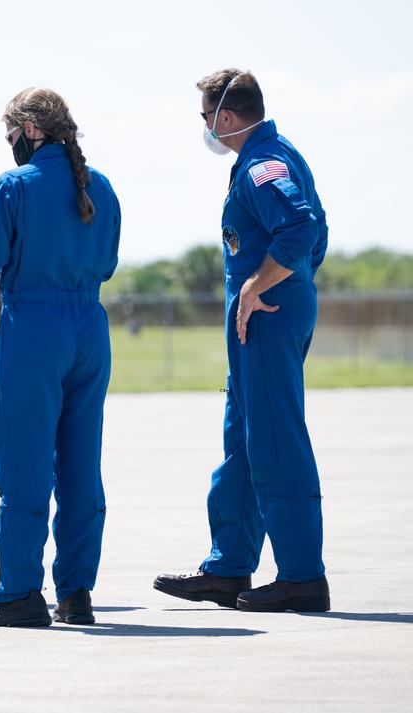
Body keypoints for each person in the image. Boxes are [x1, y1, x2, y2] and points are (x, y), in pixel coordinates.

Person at [154, 69, 330, 613]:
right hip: (260, 315)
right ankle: (228, 567)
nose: (206, 127)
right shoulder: (269, 156)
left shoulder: (261, 164)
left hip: (269, 313)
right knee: (243, 439)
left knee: (275, 439)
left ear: (226, 118)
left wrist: (260, 285)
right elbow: (316, 231)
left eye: (207, 117)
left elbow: (302, 229)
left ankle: (302, 577)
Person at [0, 87, 120, 627]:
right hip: (90, 326)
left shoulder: (15, 186)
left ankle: (20, 592)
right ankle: (76, 593)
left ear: (31, 130)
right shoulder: (102, 186)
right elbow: (107, 262)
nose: (11, 144)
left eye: (11, 133)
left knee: (23, 463)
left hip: (35, 325)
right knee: (81, 465)